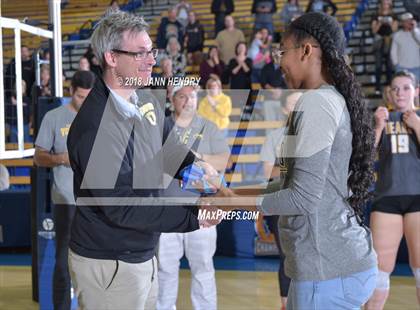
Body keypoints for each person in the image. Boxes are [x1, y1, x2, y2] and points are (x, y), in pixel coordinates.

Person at [204, 12, 378, 309]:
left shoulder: (317, 102)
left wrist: (234, 202)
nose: (278, 61)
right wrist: (233, 197)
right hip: (334, 264)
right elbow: (290, 185)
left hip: (325, 269)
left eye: (282, 51)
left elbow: (303, 198)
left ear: (307, 50)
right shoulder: (328, 98)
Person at [66, 11, 219, 310]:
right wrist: (193, 216)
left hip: (141, 254)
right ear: (111, 57)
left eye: (151, 51)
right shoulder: (95, 125)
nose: (151, 60)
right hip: (110, 262)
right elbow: (121, 207)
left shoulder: (144, 99)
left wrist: (199, 174)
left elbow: (170, 150)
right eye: (140, 53)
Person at [157, 84, 230, 310]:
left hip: (202, 208)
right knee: (165, 271)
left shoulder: (209, 127)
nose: (189, 101)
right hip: (166, 209)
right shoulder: (160, 126)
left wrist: (194, 158)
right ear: (172, 98)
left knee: (203, 269)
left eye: (193, 96)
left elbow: (223, 161)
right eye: (182, 96)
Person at [34, 70, 96, 310]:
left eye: (89, 97)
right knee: (63, 262)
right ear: (71, 92)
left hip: (95, 201)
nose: (85, 102)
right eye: (81, 97)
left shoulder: (100, 116)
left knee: (96, 263)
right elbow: (39, 157)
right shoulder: (54, 117)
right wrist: (61, 158)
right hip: (66, 201)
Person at [366, 71, 420, 309]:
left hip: (418, 199)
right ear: (388, 92)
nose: (400, 93)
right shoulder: (381, 118)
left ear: (416, 91)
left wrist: (417, 125)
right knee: (378, 273)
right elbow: (365, 160)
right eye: (395, 88)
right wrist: (378, 126)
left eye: (406, 88)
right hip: (386, 199)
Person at [259, 91, 302, 310]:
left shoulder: (318, 135)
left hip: (310, 204)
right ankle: (286, 305)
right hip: (283, 203)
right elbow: (269, 172)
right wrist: (293, 169)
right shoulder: (275, 137)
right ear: (285, 109)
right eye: (294, 104)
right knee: (287, 257)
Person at [371, 0, 398, 94]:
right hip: (379, 41)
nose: (386, 5)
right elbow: (374, 30)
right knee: (378, 65)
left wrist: (389, 23)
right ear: (381, 4)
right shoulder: (376, 15)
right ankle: (377, 87)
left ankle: (390, 86)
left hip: (389, 41)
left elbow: (395, 29)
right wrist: (380, 23)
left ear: (390, 4)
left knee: (389, 65)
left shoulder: (393, 15)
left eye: (387, 3)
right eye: (384, 3)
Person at [260, 46, 287, 122]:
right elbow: (263, 83)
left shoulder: (285, 67)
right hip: (268, 98)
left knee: (282, 122)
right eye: (273, 53)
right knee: (269, 121)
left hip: (282, 99)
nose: (275, 54)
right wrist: (274, 90)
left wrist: (280, 91)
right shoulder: (266, 67)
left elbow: (288, 84)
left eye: (277, 52)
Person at [391, 13, 420, 82]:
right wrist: (396, 64)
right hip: (402, 67)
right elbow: (393, 51)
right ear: (402, 23)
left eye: (410, 20)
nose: (408, 22)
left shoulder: (417, 32)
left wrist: (414, 30)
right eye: (406, 21)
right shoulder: (397, 35)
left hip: (417, 67)